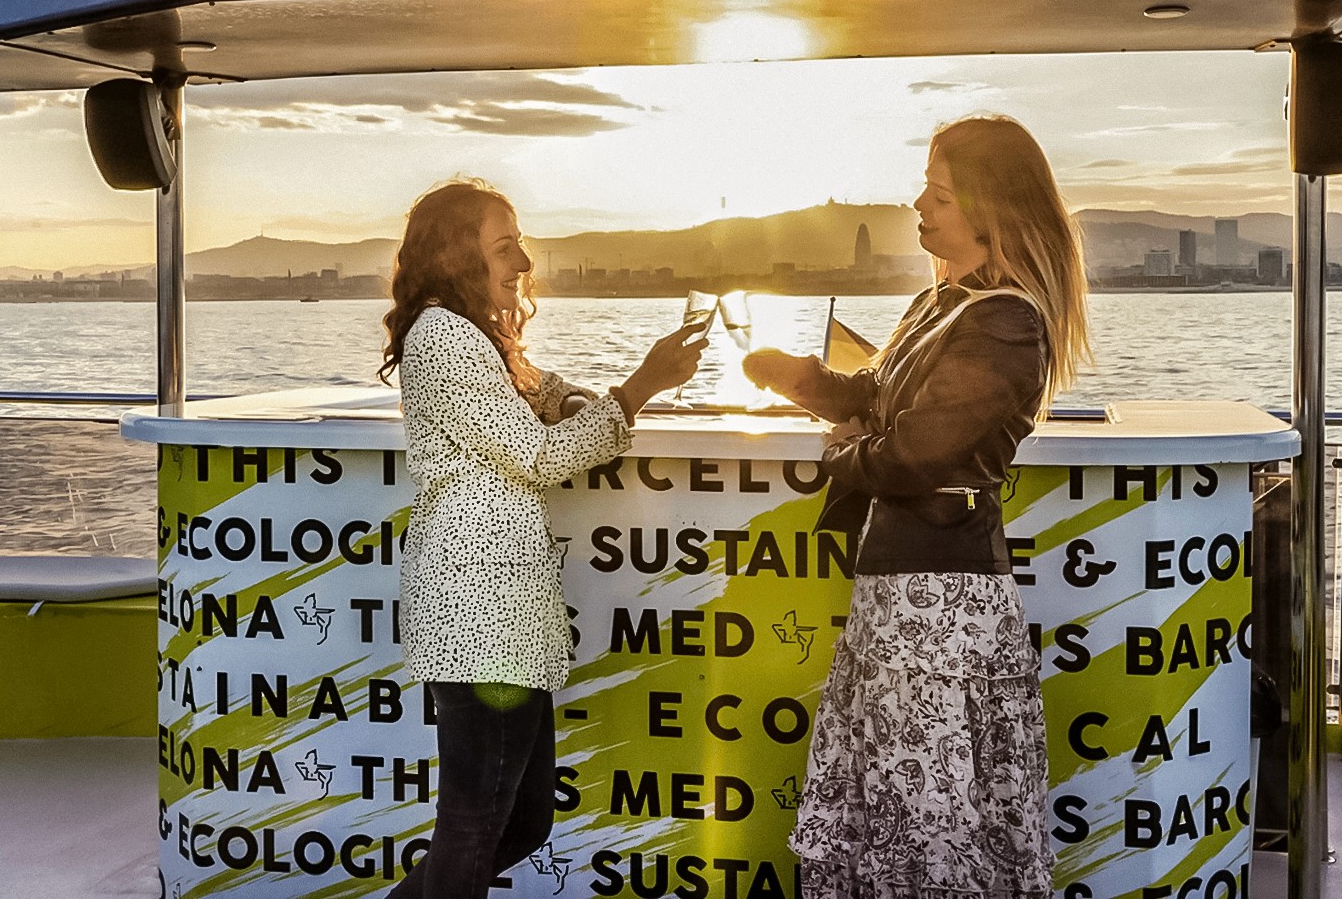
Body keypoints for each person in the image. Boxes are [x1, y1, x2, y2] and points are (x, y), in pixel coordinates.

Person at [744, 115, 1090, 899]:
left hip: (940, 607)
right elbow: (872, 397)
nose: (918, 207)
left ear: (988, 210)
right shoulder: (942, 305)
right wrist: (785, 374)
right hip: (901, 596)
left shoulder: (1004, 319)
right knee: (900, 816)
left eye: (937, 194)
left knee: (925, 825)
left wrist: (840, 452)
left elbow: (914, 452)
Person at [378, 178, 705, 899]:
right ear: (457, 256)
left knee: (520, 822)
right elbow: (539, 456)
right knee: (475, 823)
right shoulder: (445, 337)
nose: (523, 261)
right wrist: (638, 386)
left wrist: (576, 399)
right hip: (480, 611)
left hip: (502, 613)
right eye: (504, 246)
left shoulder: (475, 333)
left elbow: (541, 391)